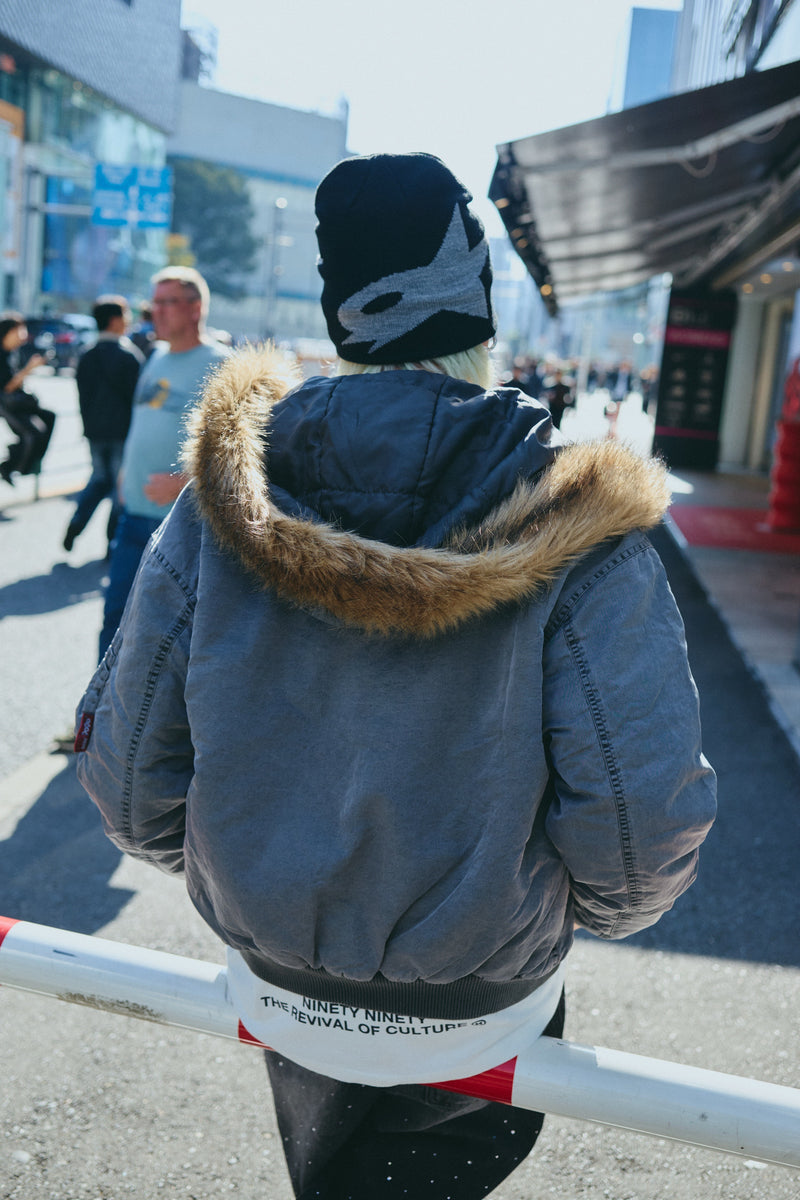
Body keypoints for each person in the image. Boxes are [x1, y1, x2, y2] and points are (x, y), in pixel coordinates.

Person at [76, 153, 716, 1200]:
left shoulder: (225, 502)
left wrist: (246, 880)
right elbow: (642, 824)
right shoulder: (579, 525)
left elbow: (127, 775)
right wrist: (556, 915)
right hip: (481, 999)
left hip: (274, 979)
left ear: (340, 311)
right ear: (476, 303)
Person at [96, 266, 228, 659]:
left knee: (165, 637)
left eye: (166, 302)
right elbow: (143, 421)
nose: (156, 311)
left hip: (178, 525)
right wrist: (125, 473)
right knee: (115, 619)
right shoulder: (155, 356)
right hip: (133, 516)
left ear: (195, 308)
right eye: (153, 303)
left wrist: (186, 482)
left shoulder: (221, 364)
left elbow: (238, 453)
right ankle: (101, 699)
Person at [62, 296, 143, 555]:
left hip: (94, 431)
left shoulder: (87, 355)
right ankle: (112, 542)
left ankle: (76, 524)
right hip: (123, 432)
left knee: (98, 478)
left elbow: (82, 396)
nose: (129, 321)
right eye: (126, 316)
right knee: (120, 487)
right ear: (115, 320)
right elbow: (137, 400)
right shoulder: (129, 356)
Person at [0, 313, 56, 485]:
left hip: (17, 401)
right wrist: (29, 368)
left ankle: (29, 463)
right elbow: (7, 386)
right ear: (8, 332)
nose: (23, 334)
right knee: (32, 434)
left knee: (49, 417)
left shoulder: (14, 352)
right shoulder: (2, 354)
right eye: (19, 330)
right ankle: (11, 466)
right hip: (7, 404)